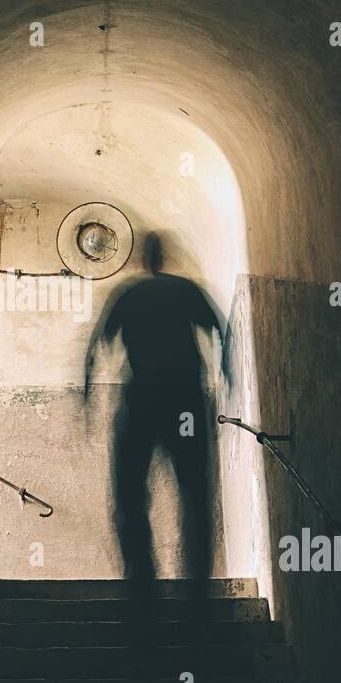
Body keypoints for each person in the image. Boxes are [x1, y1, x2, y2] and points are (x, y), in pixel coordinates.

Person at [83, 231, 230, 623]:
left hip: (144, 399)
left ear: (144, 259)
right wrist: (227, 375)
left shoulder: (130, 294)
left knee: (132, 496)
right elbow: (218, 330)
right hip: (185, 400)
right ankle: (195, 592)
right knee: (193, 493)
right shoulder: (184, 291)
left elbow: (97, 346)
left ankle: (143, 591)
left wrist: (87, 398)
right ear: (164, 257)